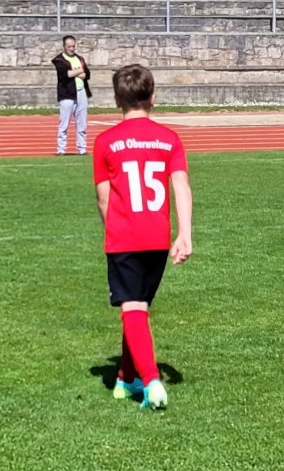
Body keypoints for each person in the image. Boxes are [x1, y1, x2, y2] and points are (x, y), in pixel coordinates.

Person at [93, 64, 192, 409]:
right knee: (137, 305)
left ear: (117, 99)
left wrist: (113, 229)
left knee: (132, 307)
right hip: (158, 237)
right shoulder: (169, 139)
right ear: (153, 97)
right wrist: (185, 234)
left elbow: (104, 197)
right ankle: (125, 378)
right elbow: (181, 185)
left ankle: (151, 383)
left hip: (124, 237)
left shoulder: (105, 141)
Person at [52, 35, 91, 155]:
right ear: (64, 46)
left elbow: (87, 74)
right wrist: (79, 71)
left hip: (81, 92)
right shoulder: (59, 60)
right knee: (64, 123)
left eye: (73, 46)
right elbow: (65, 74)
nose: (72, 49)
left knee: (82, 123)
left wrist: (77, 72)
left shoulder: (80, 59)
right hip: (67, 94)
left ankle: (82, 149)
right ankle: (61, 149)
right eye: (69, 46)